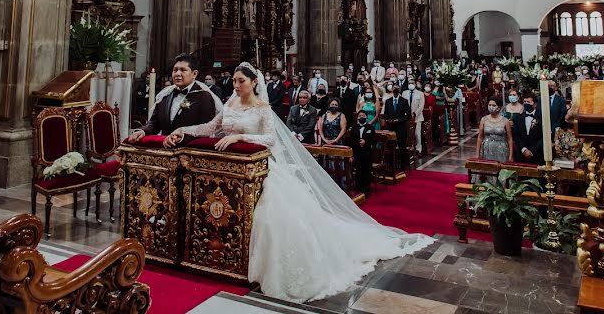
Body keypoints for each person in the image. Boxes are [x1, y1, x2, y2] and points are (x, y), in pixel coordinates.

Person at [165, 62, 432, 301]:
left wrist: (239, 138)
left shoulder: (262, 108)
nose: (236, 86)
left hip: (260, 170)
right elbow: (210, 128)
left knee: (268, 222)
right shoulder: (230, 105)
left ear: (253, 82)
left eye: (241, 81)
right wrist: (183, 130)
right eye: (234, 81)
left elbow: (270, 139)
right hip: (231, 170)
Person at [125, 53, 217, 142]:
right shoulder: (165, 95)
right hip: (165, 151)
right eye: (175, 70)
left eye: (183, 70)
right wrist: (142, 131)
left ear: (194, 74)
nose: (177, 73)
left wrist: (182, 138)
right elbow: (154, 123)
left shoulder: (204, 96)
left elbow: (207, 129)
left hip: (189, 151)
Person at [475, 98, 514, 183]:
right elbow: (480, 137)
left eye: (493, 105)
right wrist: (477, 154)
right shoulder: (484, 119)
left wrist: (511, 155)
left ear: (499, 108)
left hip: (501, 150)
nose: (491, 107)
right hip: (487, 150)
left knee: (501, 173)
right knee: (488, 172)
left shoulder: (505, 121)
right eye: (489, 105)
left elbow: (510, 138)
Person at [382, 85, 412, 170]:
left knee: (401, 147)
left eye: (397, 89)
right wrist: (388, 120)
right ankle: (391, 165)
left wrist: (398, 120)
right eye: (394, 88)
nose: (395, 90)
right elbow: (386, 114)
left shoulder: (404, 101)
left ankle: (402, 166)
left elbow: (408, 116)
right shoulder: (388, 101)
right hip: (391, 127)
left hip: (400, 127)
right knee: (390, 146)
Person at [512, 93, 544, 164]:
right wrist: (524, 149)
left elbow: (543, 137)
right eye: (525, 102)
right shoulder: (518, 118)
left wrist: (532, 151)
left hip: (537, 155)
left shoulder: (541, 118)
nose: (526, 104)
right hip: (521, 154)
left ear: (535, 104)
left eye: (528, 102)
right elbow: (516, 135)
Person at [350, 110, 376, 194]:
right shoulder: (354, 127)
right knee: (358, 171)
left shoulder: (370, 128)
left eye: (363, 116)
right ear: (357, 118)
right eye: (359, 116)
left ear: (366, 117)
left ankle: (366, 190)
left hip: (367, 153)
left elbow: (374, 141)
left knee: (366, 172)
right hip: (357, 153)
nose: (361, 117)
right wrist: (351, 155)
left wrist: (366, 142)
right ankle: (358, 189)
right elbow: (351, 141)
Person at [403, 82, 424, 153]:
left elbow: (421, 106)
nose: (410, 84)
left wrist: (415, 114)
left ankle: (418, 149)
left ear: (415, 84)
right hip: (407, 117)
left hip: (417, 117)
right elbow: (403, 104)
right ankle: (408, 148)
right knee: (407, 133)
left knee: (417, 134)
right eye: (409, 83)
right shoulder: (404, 93)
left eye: (412, 83)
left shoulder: (420, 93)